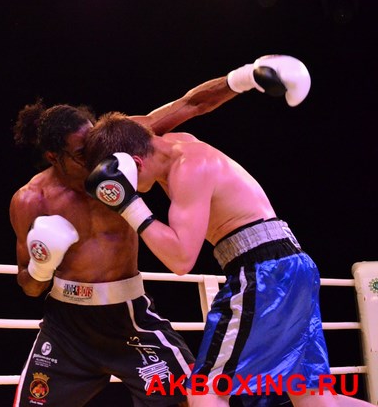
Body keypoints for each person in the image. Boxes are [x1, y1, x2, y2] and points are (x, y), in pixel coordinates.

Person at [10, 55, 306, 407]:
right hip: (66, 327)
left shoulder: (117, 143)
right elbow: (28, 285)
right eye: (80, 153)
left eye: (93, 142)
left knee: (188, 399)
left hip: (128, 318)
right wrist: (43, 264)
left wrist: (244, 78)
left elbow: (191, 104)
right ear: (52, 156)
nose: (95, 156)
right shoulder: (32, 200)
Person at [83, 57, 372, 407]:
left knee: (204, 390)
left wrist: (130, 204)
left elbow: (181, 259)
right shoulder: (169, 143)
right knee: (309, 391)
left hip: (264, 273)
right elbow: (191, 102)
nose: (135, 187)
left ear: (134, 163)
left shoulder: (187, 168)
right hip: (291, 263)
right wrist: (245, 77)